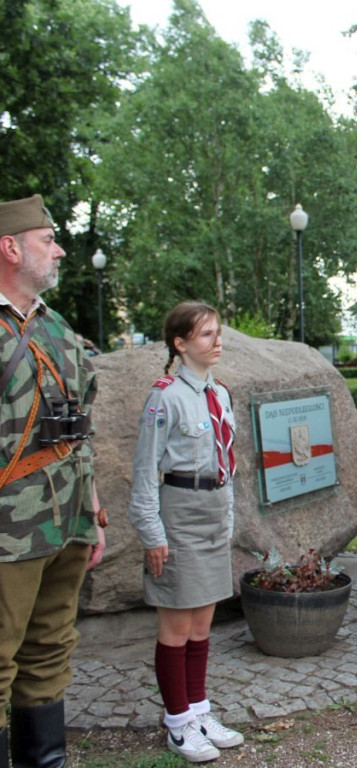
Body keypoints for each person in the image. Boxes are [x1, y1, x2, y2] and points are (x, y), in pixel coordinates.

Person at [0, 194, 106, 768]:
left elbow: (80, 429)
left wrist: (92, 512)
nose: (60, 248)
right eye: (48, 238)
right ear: (10, 247)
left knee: (49, 651)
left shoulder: (58, 328)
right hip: (5, 531)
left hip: (65, 521)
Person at [127, 302, 244, 763]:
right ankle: (177, 722)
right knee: (176, 625)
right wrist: (152, 533)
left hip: (213, 512)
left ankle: (198, 711)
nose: (217, 342)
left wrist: (228, 522)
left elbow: (226, 468)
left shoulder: (220, 394)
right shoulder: (165, 396)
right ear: (179, 343)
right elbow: (143, 473)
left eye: (217, 333)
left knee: (201, 625)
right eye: (205, 335)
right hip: (178, 515)